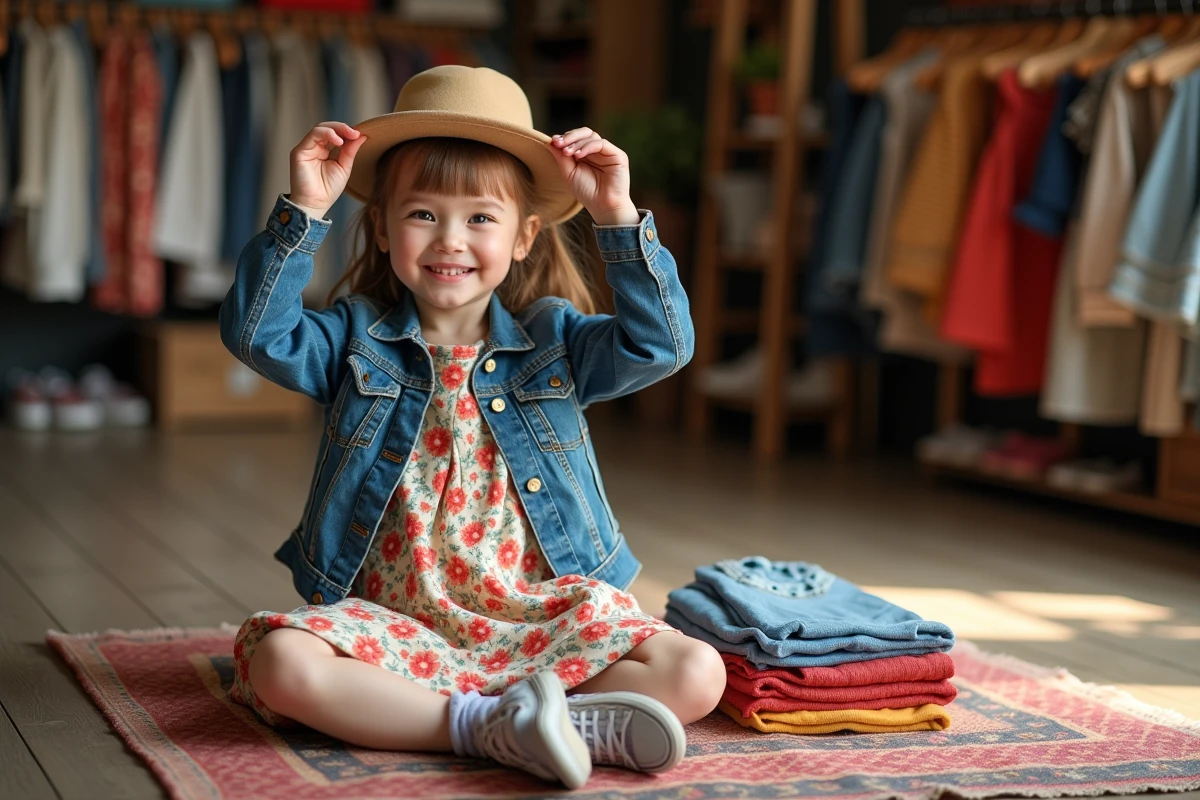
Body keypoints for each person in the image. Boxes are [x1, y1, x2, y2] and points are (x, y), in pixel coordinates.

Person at [218, 65, 725, 789]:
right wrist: (305, 208)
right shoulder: (352, 341)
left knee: (698, 672)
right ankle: (485, 725)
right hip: (397, 621)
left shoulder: (556, 343)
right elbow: (256, 333)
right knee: (283, 665)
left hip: (535, 617)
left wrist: (616, 214)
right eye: (423, 215)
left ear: (524, 237)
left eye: (480, 219)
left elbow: (662, 345)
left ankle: (509, 718)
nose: (450, 240)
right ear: (383, 228)